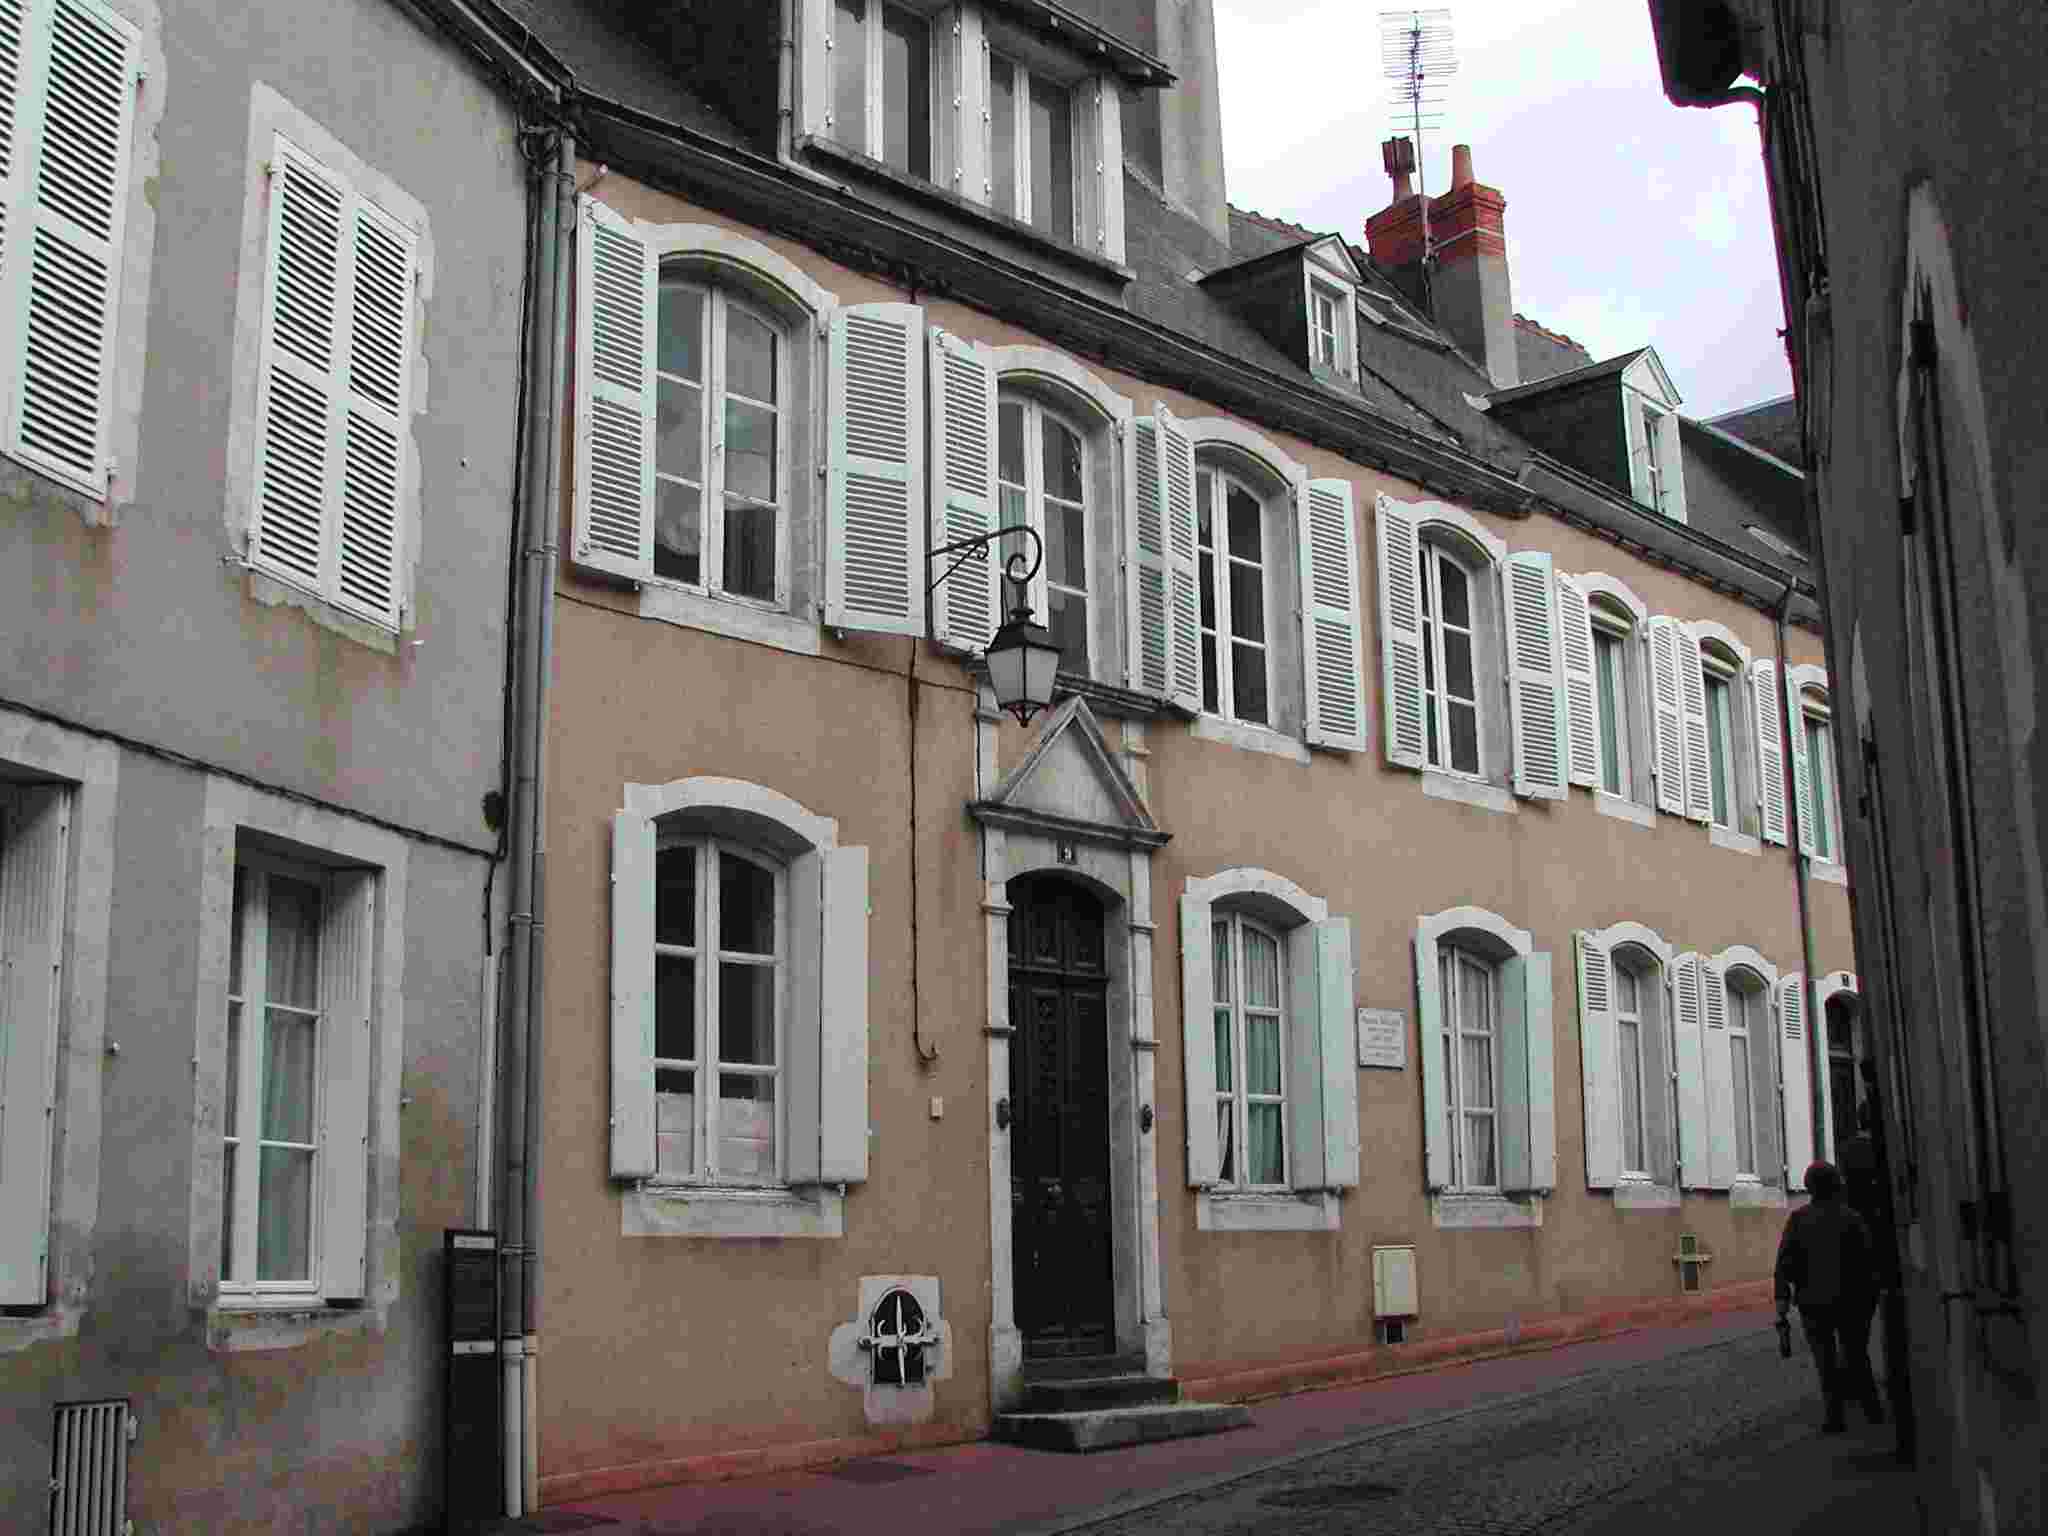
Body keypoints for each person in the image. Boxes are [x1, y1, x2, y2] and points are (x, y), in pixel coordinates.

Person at [1775, 1159, 1883, 1432]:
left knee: (1825, 1362)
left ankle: (1834, 1417)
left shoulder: (1799, 1219)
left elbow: (1784, 1262)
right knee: (1857, 1356)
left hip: (1813, 1302)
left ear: (1809, 1187)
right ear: (1837, 1185)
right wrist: (1870, 1299)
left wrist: (1782, 1300)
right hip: (1852, 1301)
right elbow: (1869, 1263)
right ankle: (1872, 1409)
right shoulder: (1852, 1218)